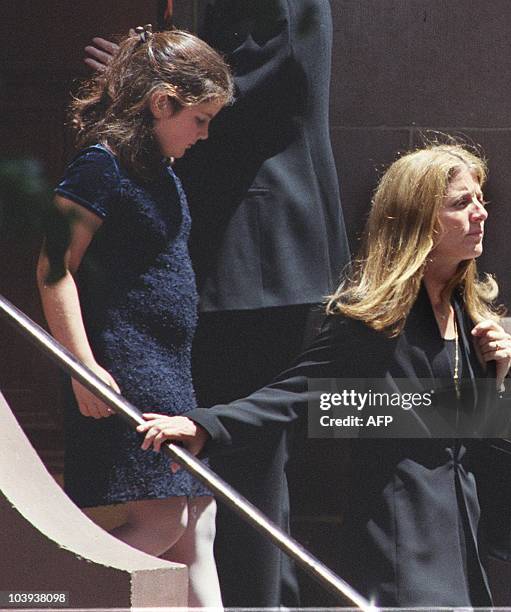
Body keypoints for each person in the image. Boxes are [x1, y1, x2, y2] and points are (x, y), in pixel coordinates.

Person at [137, 143, 511, 607]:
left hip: (461, 528)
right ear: (420, 219)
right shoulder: (377, 318)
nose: (480, 213)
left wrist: (495, 376)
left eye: (480, 200)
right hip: (404, 531)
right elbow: (295, 394)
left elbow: (472, 427)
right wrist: (204, 426)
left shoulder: (466, 311)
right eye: (461, 203)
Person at [85, 1, 350, 606]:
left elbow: (244, 94)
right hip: (246, 260)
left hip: (250, 255)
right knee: (216, 473)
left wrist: (134, 80)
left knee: (241, 465)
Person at [36, 26, 233, 607]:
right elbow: (54, 266)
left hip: (170, 370)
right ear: (161, 101)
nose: (204, 133)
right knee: (164, 520)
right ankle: (39, 588)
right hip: (123, 367)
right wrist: (82, 365)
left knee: (199, 522)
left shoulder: (161, 170)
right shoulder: (101, 165)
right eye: (198, 118)